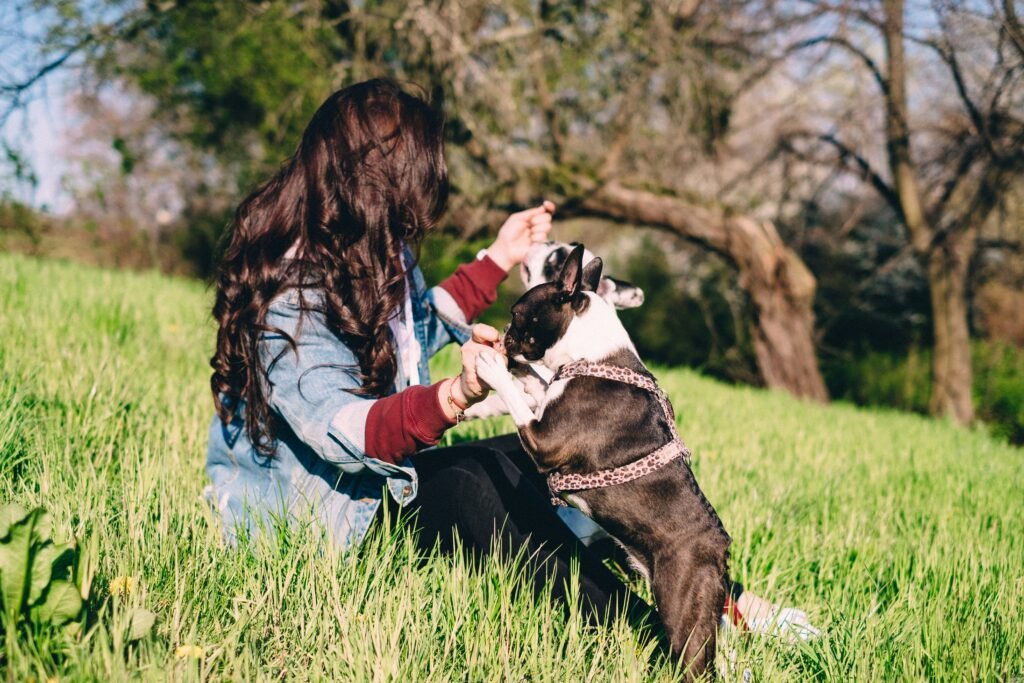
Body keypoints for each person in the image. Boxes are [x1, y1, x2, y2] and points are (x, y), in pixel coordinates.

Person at [205, 78, 817, 643]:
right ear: (373, 183)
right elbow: (343, 429)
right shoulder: (290, 295)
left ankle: (719, 600)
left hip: (389, 478)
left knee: (574, 455)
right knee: (475, 489)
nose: (422, 210)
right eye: (415, 186)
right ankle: (649, 636)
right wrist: (452, 397)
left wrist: (500, 256)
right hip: (335, 516)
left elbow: (413, 328)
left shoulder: (373, 246)